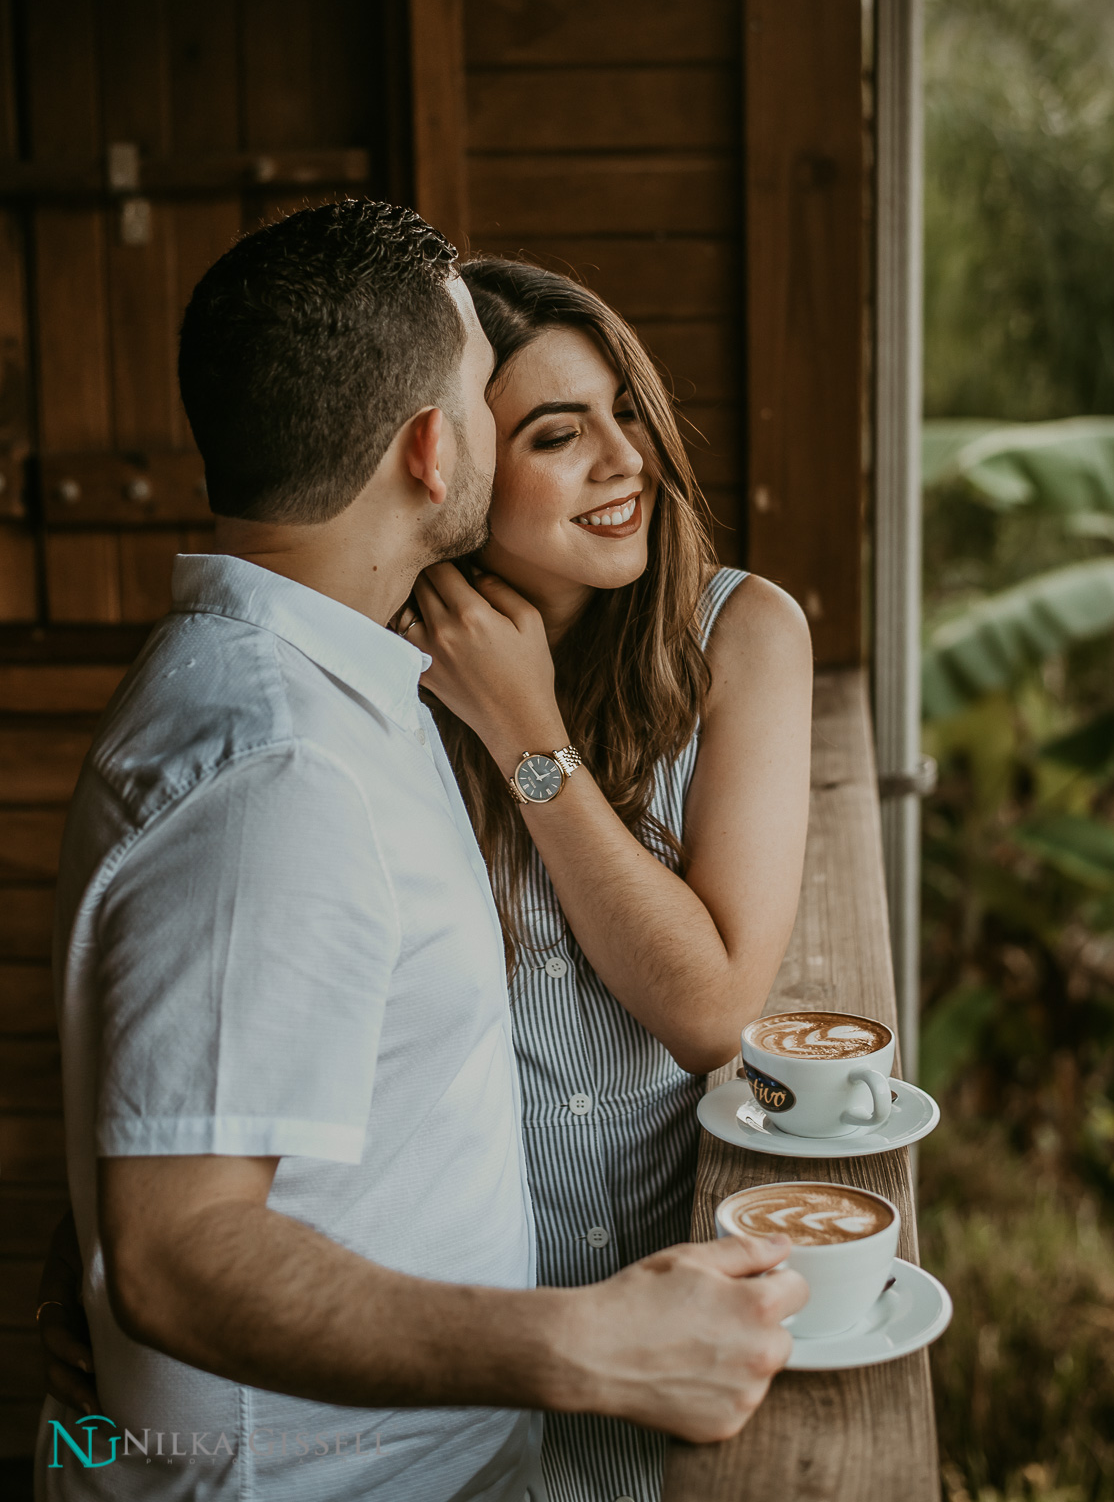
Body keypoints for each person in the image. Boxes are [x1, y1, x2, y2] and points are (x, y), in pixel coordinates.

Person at [33, 202, 806, 1502]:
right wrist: (580, 1344)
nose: (626, 458)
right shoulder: (278, 764)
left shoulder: (352, 683)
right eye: (530, 423)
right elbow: (174, 1254)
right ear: (439, 448)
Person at [401, 258, 814, 1502]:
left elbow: (709, 1015)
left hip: (662, 1321)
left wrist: (530, 742)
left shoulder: (741, 636)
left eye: (626, 413)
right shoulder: (380, 663)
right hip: (445, 1341)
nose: (626, 460)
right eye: (558, 434)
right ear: (461, 468)